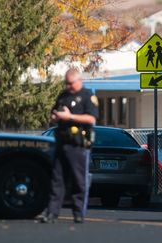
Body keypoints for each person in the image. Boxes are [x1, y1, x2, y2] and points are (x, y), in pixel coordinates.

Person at [41, 68, 99, 223]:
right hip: (62, 142)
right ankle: (52, 213)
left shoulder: (88, 96)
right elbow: (54, 114)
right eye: (66, 83)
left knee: (79, 180)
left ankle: (78, 213)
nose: (68, 86)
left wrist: (70, 116)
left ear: (79, 80)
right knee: (57, 179)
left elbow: (92, 119)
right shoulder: (63, 96)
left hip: (78, 144)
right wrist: (55, 117)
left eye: (71, 83)